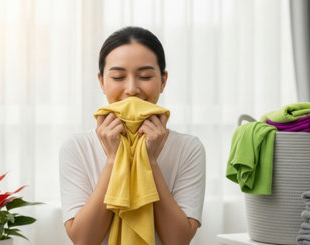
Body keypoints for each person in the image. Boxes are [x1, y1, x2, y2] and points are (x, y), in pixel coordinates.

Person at [59, 26, 206, 245]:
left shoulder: (188, 148)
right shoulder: (77, 147)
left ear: (163, 80)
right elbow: (83, 240)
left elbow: (178, 240)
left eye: (145, 76)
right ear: (101, 81)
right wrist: (112, 159)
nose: (131, 89)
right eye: (118, 76)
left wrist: (151, 162)